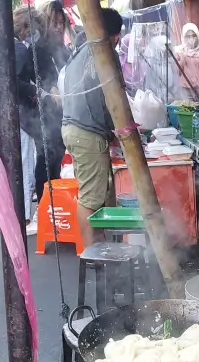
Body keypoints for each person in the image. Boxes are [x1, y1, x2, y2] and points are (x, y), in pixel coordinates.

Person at [61, 7, 123, 247]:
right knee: (90, 198)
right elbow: (114, 98)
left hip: (74, 129)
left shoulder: (80, 48)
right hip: (86, 133)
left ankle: (97, 245)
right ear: (115, 36)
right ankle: (92, 254)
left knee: (93, 193)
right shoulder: (102, 51)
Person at [0, 6, 40, 232]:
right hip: (14, 118)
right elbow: (13, 82)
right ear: (26, 27)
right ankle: (22, 218)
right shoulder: (19, 49)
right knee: (22, 168)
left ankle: (9, 218)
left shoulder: (1, 44)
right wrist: (34, 91)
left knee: (5, 169)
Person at [31, 0, 71, 204]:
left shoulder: (64, 50)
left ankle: (55, 203)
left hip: (62, 115)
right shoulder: (38, 50)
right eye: (53, 22)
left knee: (58, 157)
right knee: (46, 158)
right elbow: (33, 79)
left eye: (60, 22)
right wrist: (48, 89)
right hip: (43, 116)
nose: (57, 26)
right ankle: (44, 203)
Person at [174, 23, 199, 102]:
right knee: (188, 110)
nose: (191, 38)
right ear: (183, 37)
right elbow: (176, 71)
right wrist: (183, 58)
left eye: (194, 35)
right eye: (188, 36)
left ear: (198, 36)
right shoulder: (179, 51)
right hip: (185, 88)